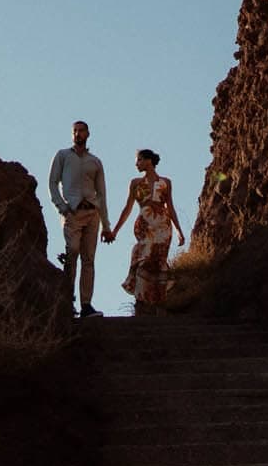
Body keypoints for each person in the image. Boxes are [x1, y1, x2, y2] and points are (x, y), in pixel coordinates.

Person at [47, 120, 112, 318]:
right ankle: (67, 301)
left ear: (88, 133)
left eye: (81, 131)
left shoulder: (95, 161)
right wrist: (63, 208)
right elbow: (52, 183)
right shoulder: (63, 155)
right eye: (75, 131)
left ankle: (86, 304)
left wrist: (106, 225)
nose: (78, 134)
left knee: (89, 259)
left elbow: (102, 194)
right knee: (72, 252)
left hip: (92, 212)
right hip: (72, 213)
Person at [108, 149, 185, 311]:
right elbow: (127, 208)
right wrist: (115, 230)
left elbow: (170, 207)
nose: (137, 164)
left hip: (162, 225)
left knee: (158, 261)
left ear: (149, 161)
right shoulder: (135, 183)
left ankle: (159, 302)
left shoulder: (166, 182)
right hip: (144, 224)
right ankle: (141, 301)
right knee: (143, 258)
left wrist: (179, 230)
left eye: (139, 160)